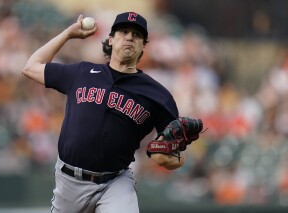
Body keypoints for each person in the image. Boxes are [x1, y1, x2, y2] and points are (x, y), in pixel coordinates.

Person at [22, 11, 186, 213]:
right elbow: (31, 67)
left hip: (115, 181)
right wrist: (68, 34)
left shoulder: (158, 96)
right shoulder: (81, 73)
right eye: (123, 32)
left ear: (144, 45)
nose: (129, 37)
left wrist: (166, 158)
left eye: (136, 35)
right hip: (70, 181)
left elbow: (175, 156)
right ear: (111, 39)